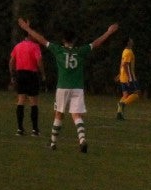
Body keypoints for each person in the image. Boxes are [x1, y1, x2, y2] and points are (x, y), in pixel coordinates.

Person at [17, 17, 118, 153]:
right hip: (77, 88)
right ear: (74, 40)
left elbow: (41, 39)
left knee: (59, 114)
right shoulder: (81, 51)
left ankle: (52, 143)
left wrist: (27, 29)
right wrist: (109, 32)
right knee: (77, 115)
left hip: (63, 87)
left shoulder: (58, 50)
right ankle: (82, 139)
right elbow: (96, 43)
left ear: (63, 40)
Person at [9, 31, 44, 136]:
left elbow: (11, 61)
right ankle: (35, 130)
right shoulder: (35, 46)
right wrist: (43, 74)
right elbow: (39, 60)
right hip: (31, 74)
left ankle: (20, 129)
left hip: (20, 74)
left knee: (21, 100)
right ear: (29, 35)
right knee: (33, 102)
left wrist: (12, 75)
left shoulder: (18, 46)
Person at [115, 37, 139, 120]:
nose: (132, 40)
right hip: (128, 77)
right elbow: (125, 65)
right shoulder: (128, 52)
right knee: (136, 94)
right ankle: (122, 104)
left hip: (123, 76)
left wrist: (119, 74)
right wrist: (129, 78)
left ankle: (119, 113)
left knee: (125, 95)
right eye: (131, 40)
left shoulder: (125, 51)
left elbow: (122, 63)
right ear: (128, 42)